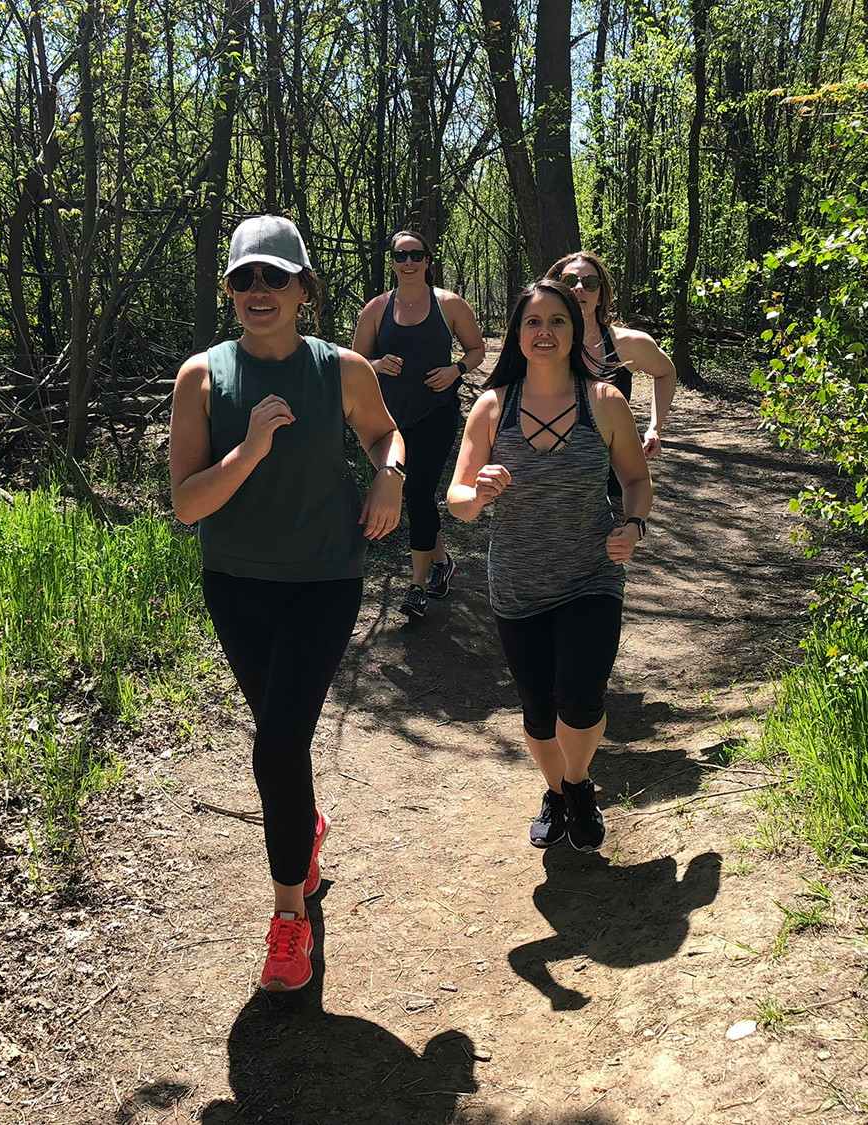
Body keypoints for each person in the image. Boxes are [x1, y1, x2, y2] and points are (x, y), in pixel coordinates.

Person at [169, 215, 405, 991]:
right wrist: (250, 448)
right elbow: (188, 504)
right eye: (244, 278)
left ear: (306, 287)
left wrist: (390, 475)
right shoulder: (202, 378)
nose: (259, 291)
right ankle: (302, 827)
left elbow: (385, 436)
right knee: (283, 740)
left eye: (275, 276)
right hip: (236, 584)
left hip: (325, 579)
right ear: (229, 291)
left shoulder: (342, 369)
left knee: (275, 743)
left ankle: (289, 918)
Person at [446, 279, 653, 852]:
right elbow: (458, 501)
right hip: (517, 583)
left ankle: (579, 783)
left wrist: (632, 527)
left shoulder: (604, 402)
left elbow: (636, 481)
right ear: (517, 334)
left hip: (592, 574)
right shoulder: (493, 406)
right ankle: (556, 792)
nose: (545, 333)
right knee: (538, 711)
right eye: (533, 322)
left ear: (575, 331)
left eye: (557, 322)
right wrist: (479, 492)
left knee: (580, 696)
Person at [352, 230, 487, 621]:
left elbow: (477, 350)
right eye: (400, 256)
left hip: (437, 414)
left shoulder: (449, 305)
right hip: (390, 422)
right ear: (392, 262)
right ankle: (442, 561)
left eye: (416, 255)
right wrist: (377, 365)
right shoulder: (376, 309)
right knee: (419, 497)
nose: (408, 262)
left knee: (419, 491)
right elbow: (356, 361)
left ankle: (417, 586)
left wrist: (455, 369)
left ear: (428, 260)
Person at [544, 252, 676, 476]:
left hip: (613, 473)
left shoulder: (627, 344)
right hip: (551, 472)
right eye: (569, 281)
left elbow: (666, 372)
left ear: (601, 293)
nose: (579, 288)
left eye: (590, 283)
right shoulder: (541, 343)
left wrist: (654, 428)